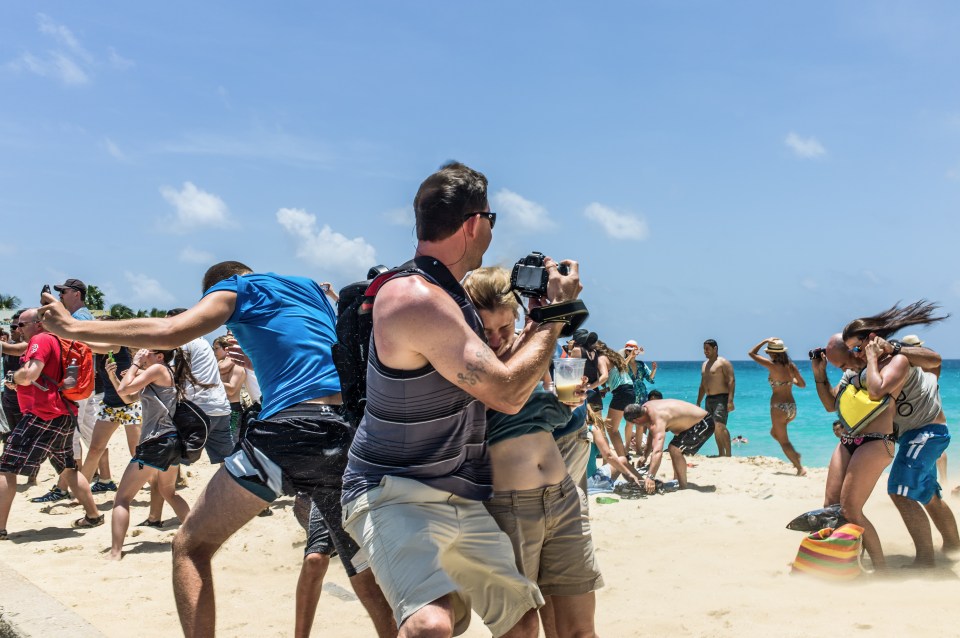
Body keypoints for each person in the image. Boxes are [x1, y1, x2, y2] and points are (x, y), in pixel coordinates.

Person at [37, 262, 395, 637]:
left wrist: (72, 327)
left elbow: (170, 331)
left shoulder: (236, 288)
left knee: (190, 548)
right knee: (364, 569)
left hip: (287, 433)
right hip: (343, 434)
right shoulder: (309, 289)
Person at [341, 161, 581, 638]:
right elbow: (509, 392)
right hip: (394, 492)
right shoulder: (413, 297)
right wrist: (556, 315)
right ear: (475, 223)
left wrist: (533, 325)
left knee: (520, 622)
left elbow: (498, 385)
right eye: (492, 218)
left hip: (458, 493)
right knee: (431, 625)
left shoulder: (455, 300)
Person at [463, 266, 608, 638]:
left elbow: (543, 420)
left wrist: (566, 404)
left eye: (504, 329)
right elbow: (503, 410)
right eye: (486, 330)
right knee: (519, 632)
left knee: (580, 631)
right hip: (508, 507)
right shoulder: (460, 359)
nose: (496, 340)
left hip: (563, 497)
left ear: (518, 318)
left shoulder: (528, 349)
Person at [841, 302, 960, 567]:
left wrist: (879, 353)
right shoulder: (872, 365)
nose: (857, 355)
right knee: (928, 494)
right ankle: (954, 547)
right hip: (915, 435)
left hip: (926, 432)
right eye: (852, 351)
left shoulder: (898, 357)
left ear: (871, 339)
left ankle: (926, 561)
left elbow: (877, 391)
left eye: (858, 348)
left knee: (900, 492)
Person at [0, 308, 104, 541]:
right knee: (68, 468)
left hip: (43, 414)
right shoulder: (53, 340)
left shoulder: (40, 339)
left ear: (38, 324)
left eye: (21, 324)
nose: (17, 328)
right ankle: (94, 516)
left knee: (6, 467)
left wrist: (12, 377)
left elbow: (29, 375)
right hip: (62, 413)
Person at [104, 347, 192, 560]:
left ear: (159, 356)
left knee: (122, 498)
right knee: (168, 492)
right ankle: (197, 537)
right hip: (171, 441)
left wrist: (134, 364)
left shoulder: (159, 369)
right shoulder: (161, 372)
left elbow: (126, 391)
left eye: (147, 353)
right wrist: (113, 377)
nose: (143, 356)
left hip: (157, 442)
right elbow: (128, 398)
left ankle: (115, 553)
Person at [623, 398, 715, 493]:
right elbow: (651, 432)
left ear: (637, 420)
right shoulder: (646, 408)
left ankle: (683, 487)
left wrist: (650, 477)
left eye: (634, 423)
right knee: (674, 447)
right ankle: (677, 481)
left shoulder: (658, 419)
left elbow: (658, 451)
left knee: (674, 449)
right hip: (694, 424)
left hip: (704, 423)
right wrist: (645, 456)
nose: (636, 426)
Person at [747, 338, 807, 476]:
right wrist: (789, 380)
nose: (768, 355)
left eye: (769, 353)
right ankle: (795, 454)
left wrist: (764, 341)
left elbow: (751, 353)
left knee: (784, 442)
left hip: (778, 407)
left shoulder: (771, 365)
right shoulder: (791, 366)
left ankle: (799, 467)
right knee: (774, 433)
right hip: (792, 407)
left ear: (773, 354)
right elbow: (802, 384)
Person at [697, 339, 734, 457]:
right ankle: (721, 453)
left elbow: (731, 381)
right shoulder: (704, 365)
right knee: (714, 427)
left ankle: (728, 454)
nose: (705, 351)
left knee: (720, 425)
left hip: (721, 398)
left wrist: (730, 400)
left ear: (715, 349)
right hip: (709, 399)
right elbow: (702, 385)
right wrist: (698, 402)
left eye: (707, 348)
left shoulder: (723, 363)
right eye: (704, 349)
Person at [212, 334, 246, 436]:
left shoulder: (237, 365)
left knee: (232, 440)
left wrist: (211, 381)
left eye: (216, 349)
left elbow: (232, 390)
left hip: (233, 410)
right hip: (221, 407)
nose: (214, 352)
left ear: (226, 349)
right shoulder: (219, 366)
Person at [623, 340, 656, 404]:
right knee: (629, 413)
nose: (632, 353)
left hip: (642, 394)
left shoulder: (641, 364)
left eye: (634, 351)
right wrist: (630, 356)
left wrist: (654, 370)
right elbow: (621, 367)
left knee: (642, 413)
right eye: (630, 351)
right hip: (628, 394)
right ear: (626, 351)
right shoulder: (622, 362)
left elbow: (650, 379)